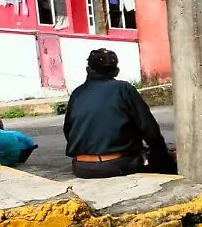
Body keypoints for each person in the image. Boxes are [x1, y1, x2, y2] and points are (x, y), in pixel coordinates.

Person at [63, 49, 175, 179]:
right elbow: (149, 129)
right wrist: (163, 156)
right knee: (167, 164)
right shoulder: (123, 89)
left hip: (81, 167)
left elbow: (68, 131)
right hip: (116, 164)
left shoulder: (77, 93)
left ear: (88, 69)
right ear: (116, 71)